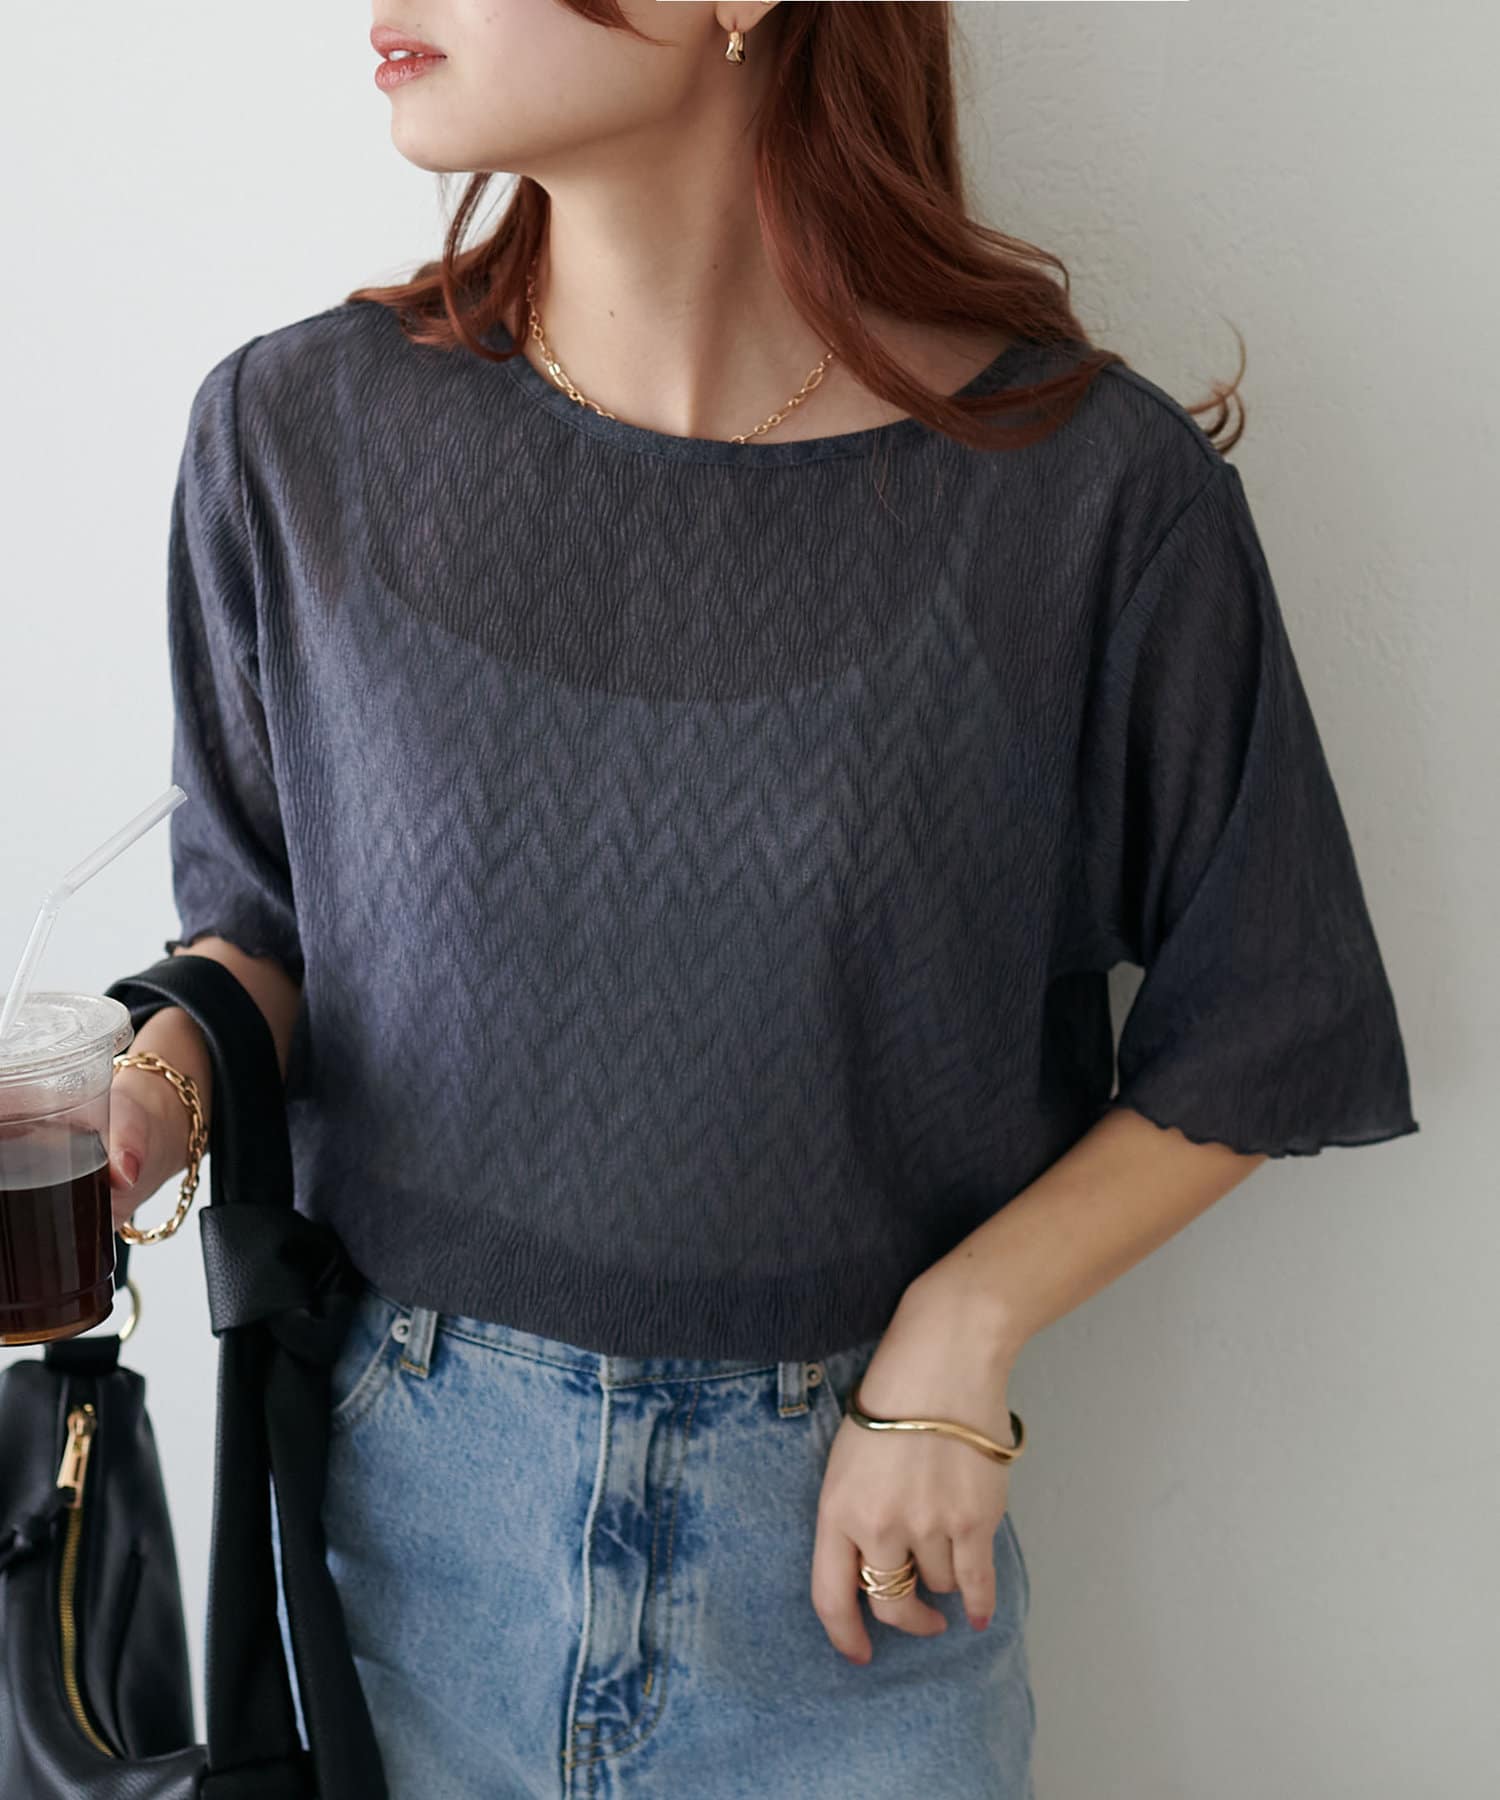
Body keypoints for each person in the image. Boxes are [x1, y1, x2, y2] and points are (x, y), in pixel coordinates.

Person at [104, 4, 1420, 1796]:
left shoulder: (1083, 496)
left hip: (851, 1579)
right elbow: (261, 935)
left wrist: (964, 1326)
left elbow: (1273, 1018)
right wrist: (141, 1095)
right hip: (392, 1562)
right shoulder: (297, 436)